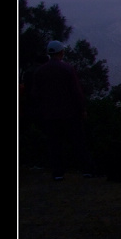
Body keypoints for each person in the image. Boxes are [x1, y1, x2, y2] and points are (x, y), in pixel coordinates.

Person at [29, 39, 93, 180]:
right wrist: (82, 109)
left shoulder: (40, 71)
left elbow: (35, 94)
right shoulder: (67, 69)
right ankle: (86, 170)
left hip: (50, 114)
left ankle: (58, 172)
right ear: (62, 53)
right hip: (69, 113)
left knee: (54, 144)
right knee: (78, 141)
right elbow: (76, 91)